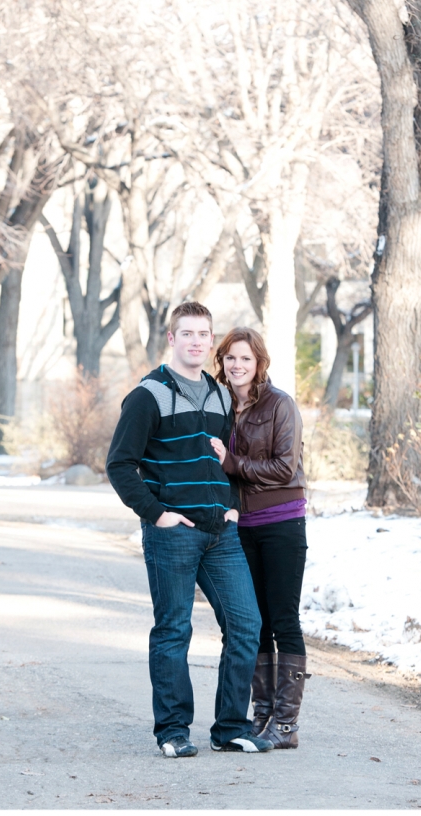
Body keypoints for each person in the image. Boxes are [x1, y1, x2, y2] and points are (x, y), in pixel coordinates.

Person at [106, 303, 273, 758]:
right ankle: (173, 731)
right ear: (172, 338)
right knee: (174, 630)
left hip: (221, 534)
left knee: (246, 625)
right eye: (188, 333)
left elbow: (221, 463)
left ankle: (230, 728)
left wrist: (232, 507)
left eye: (204, 333)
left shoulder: (221, 396)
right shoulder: (149, 395)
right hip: (172, 533)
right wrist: (156, 513)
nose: (197, 341)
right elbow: (120, 465)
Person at [210, 327, 310, 749]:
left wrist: (232, 462)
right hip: (241, 527)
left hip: (282, 522)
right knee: (256, 622)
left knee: (283, 619)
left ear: (259, 363)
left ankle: (286, 725)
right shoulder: (216, 403)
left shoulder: (279, 404)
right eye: (230, 358)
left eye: (245, 359)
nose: (237, 365)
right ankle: (263, 715)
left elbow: (284, 468)